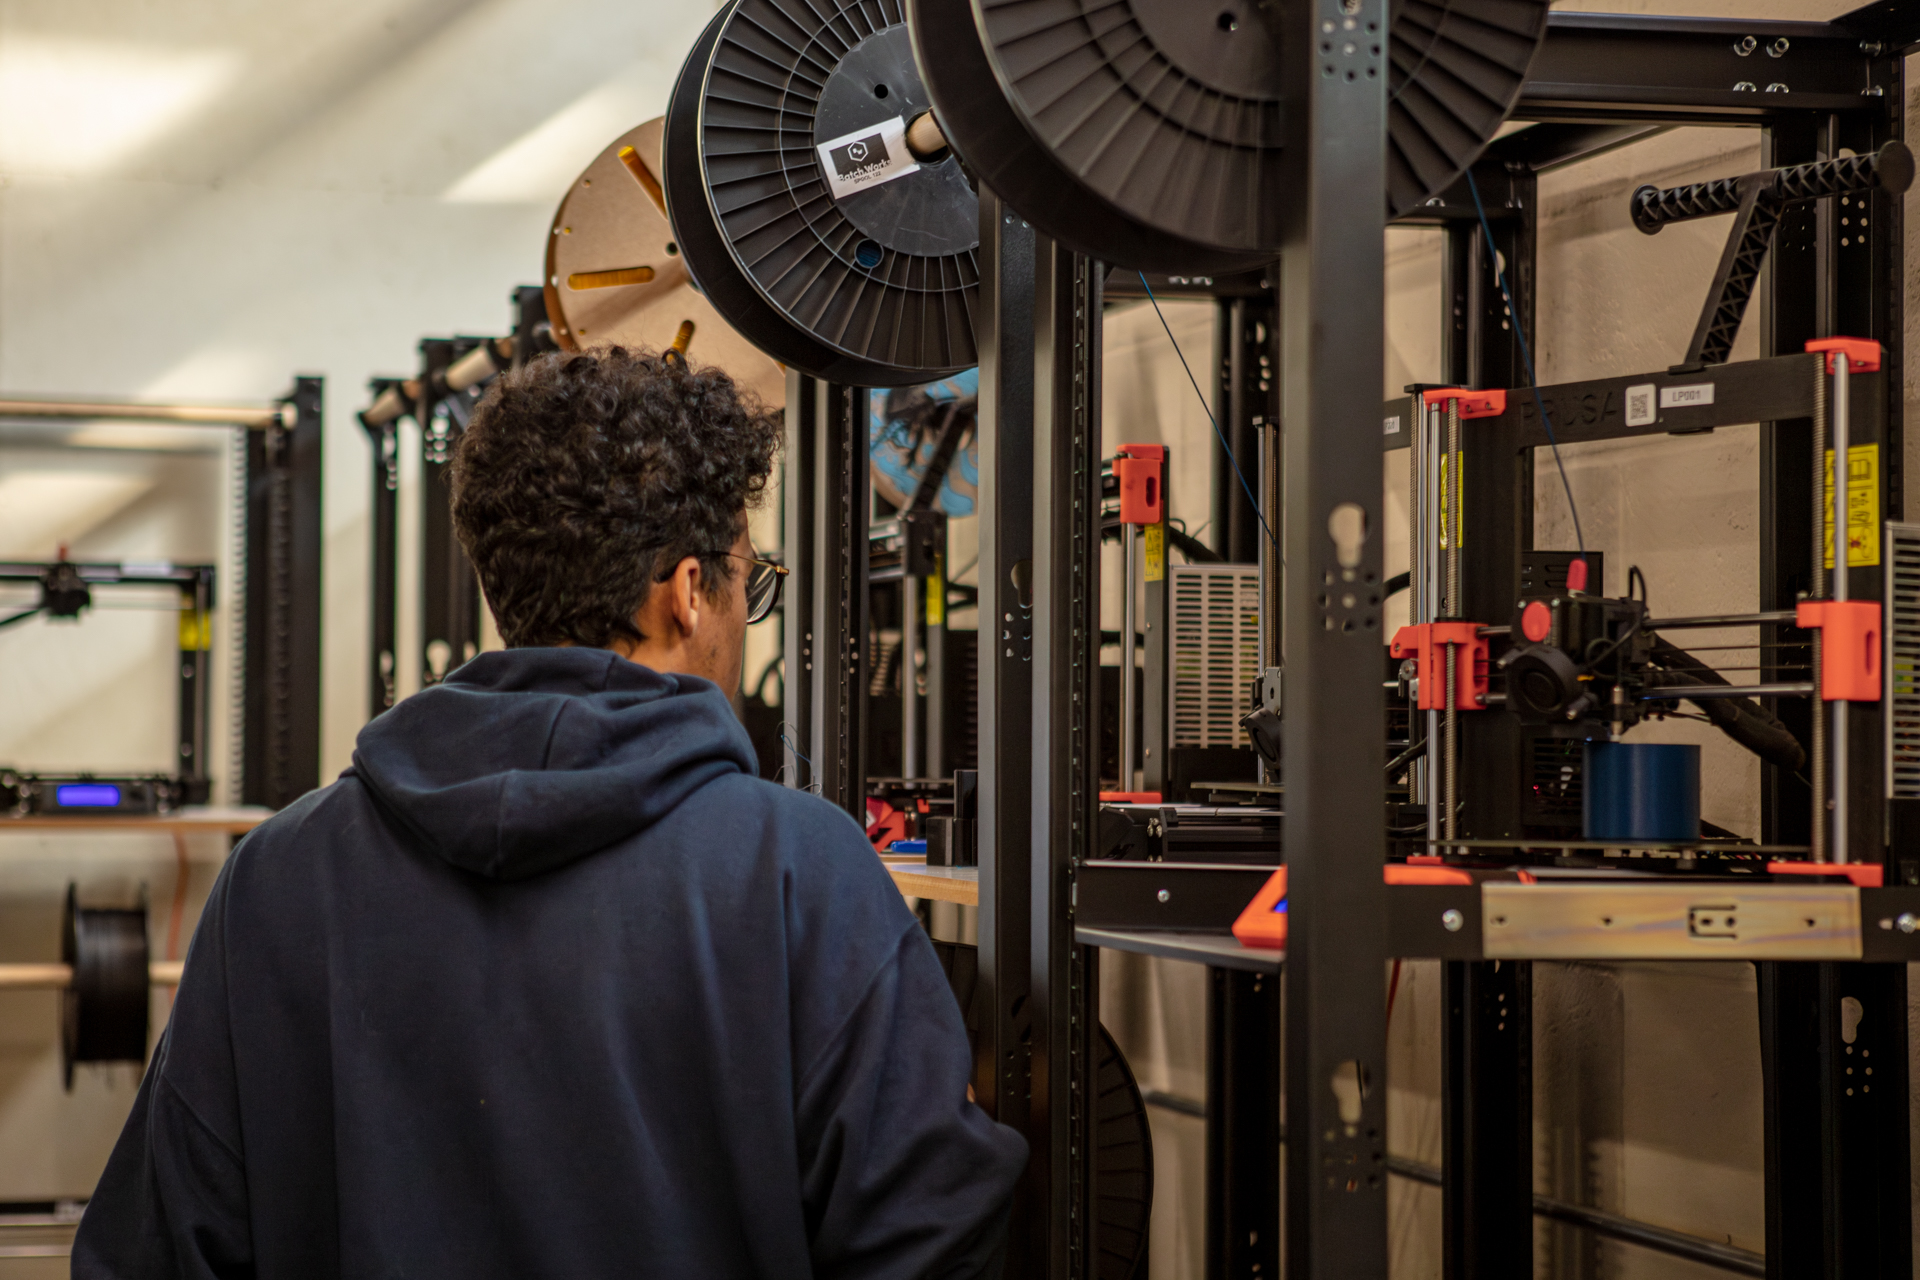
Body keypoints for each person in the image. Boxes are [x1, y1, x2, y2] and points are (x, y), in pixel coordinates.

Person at [74, 348, 1027, 1278]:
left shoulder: (276, 877)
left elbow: (155, 1246)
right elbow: (929, 1230)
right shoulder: (801, 872)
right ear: (690, 594)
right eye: (751, 581)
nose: (746, 615)